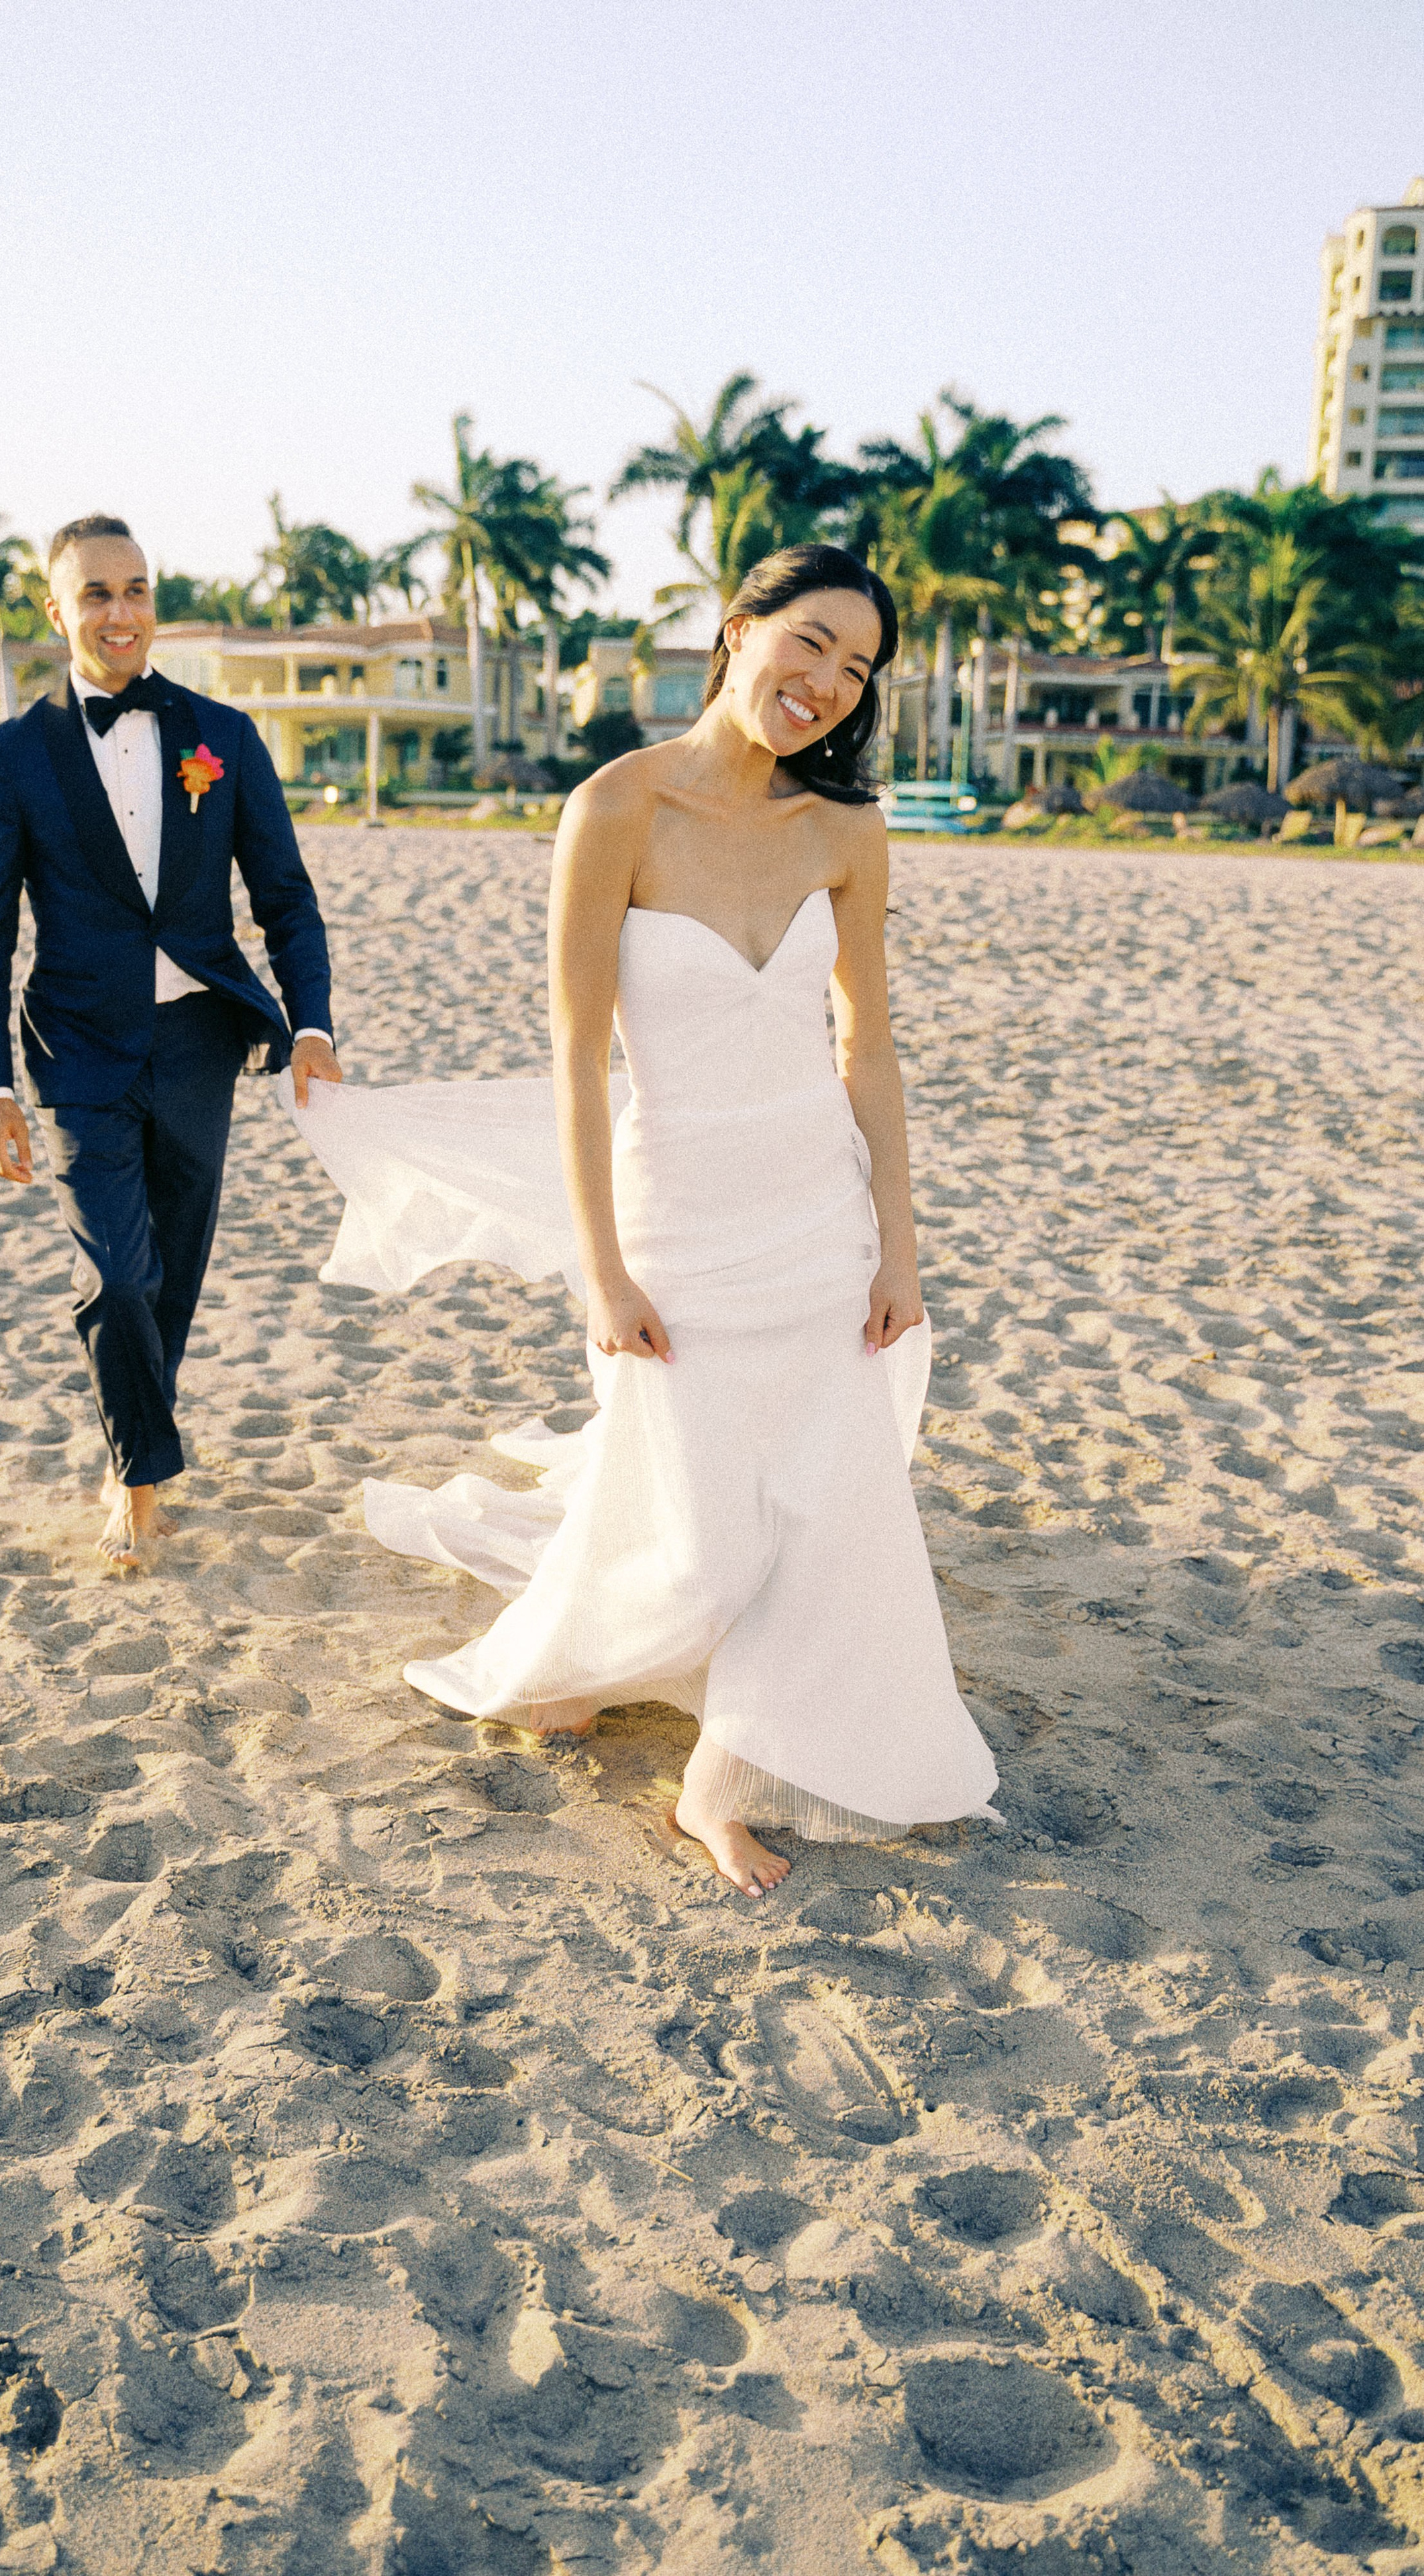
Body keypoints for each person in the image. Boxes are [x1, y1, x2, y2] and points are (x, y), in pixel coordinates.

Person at [291, 543, 998, 1894]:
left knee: (818, 1507)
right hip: (676, 1217)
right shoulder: (614, 807)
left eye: (858, 669)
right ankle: (595, 1659)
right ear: (737, 632)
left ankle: (719, 1783)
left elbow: (867, 1051)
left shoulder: (846, 832)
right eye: (810, 643)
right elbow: (573, 1055)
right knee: (703, 1531)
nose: (828, 684)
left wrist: (898, 1251)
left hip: (817, 1216)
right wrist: (602, 1268)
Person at [0, 513, 341, 1567]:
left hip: (201, 1045)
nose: (119, 613)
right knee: (115, 1276)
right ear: (57, 611)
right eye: (96, 593)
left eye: (135, 590)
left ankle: (132, 1443)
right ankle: (138, 1480)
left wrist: (311, 1021)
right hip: (77, 1051)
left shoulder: (225, 736)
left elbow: (285, 898)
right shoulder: (12, 755)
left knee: (171, 1272)